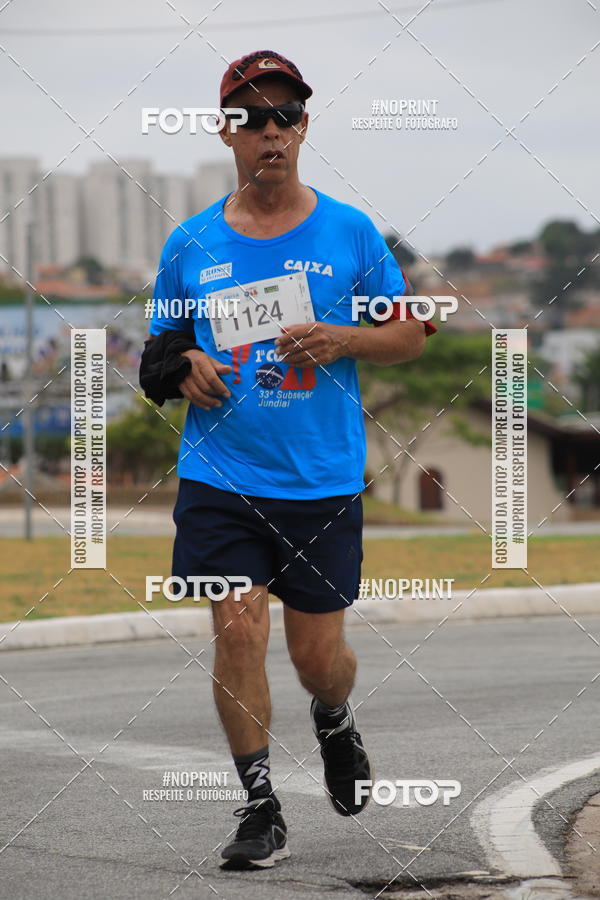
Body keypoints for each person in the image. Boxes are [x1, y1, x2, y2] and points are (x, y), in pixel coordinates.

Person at [143, 49, 436, 871]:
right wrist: (180, 367)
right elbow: (157, 353)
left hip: (321, 481)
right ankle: (260, 806)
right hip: (220, 478)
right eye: (251, 118)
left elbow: (411, 333)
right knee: (236, 629)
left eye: (284, 116)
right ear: (227, 132)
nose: (269, 131)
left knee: (317, 662)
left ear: (304, 128)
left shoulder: (349, 232)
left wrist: (346, 337)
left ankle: (335, 718)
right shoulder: (191, 242)